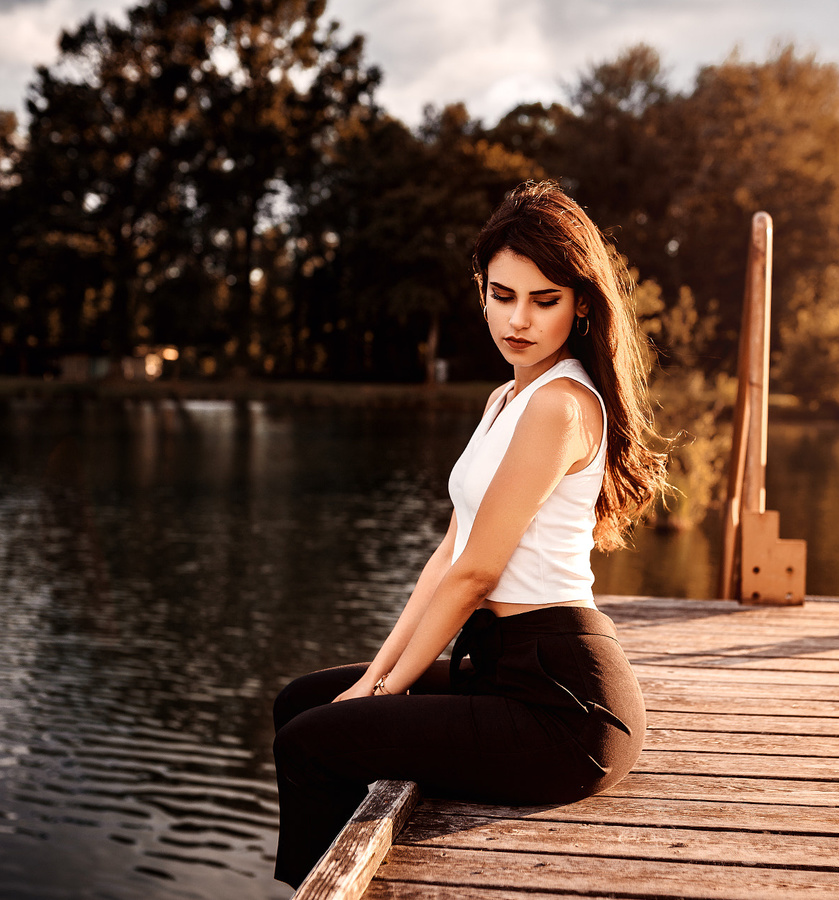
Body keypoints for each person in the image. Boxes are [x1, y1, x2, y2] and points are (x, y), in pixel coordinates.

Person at [271, 180, 669, 887]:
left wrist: (383, 694)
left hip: (565, 703)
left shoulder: (562, 405)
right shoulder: (505, 398)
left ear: (580, 303)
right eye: (501, 293)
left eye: (543, 300)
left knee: (312, 744)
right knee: (300, 704)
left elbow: (477, 575)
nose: (517, 319)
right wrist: (375, 676)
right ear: (480, 289)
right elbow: (447, 555)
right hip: (498, 672)